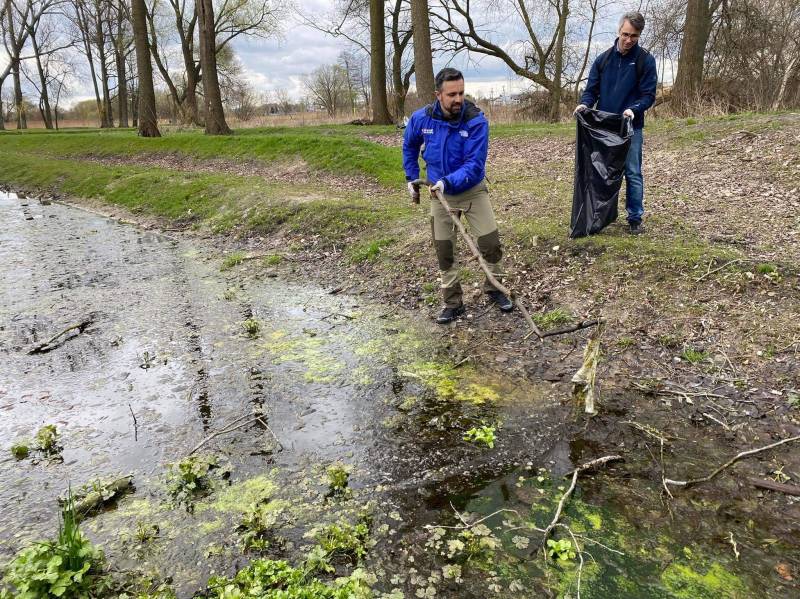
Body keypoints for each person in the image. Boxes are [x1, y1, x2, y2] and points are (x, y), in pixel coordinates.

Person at [402, 68, 513, 324]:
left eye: (461, 93)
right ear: (438, 95)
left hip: (472, 190)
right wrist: (411, 177)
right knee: (444, 249)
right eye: (452, 94)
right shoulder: (422, 119)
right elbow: (409, 145)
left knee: (490, 244)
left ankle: (495, 288)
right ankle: (453, 302)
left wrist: (447, 182)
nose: (458, 99)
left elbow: (474, 165)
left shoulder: (475, 121)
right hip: (438, 194)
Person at [574, 11, 657, 235]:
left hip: (631, 127)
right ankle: (600, 215)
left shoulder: (645, 61)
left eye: (634, 36)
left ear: (639, 35)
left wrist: (634, 109)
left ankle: (635, 217)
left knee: (633, 173)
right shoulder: (603, 60)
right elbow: (591, 91)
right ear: (619, 31)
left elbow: (648, 95)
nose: (629, 40)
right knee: (602, 172)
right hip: (604, 129)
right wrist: (584, 105)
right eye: (625, 34)